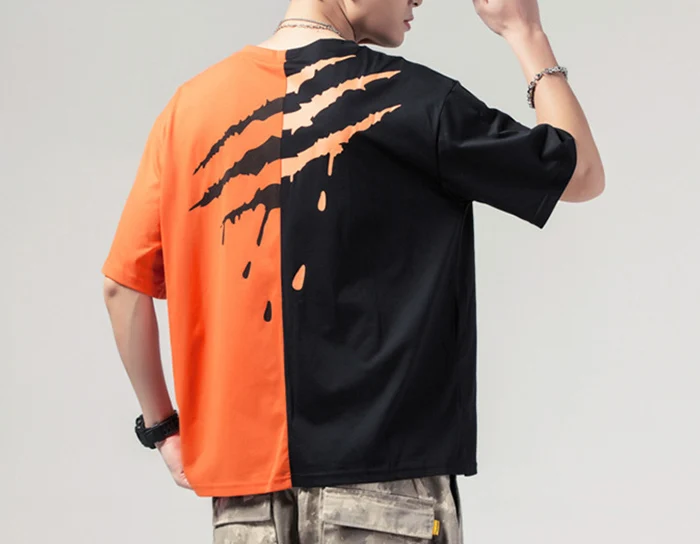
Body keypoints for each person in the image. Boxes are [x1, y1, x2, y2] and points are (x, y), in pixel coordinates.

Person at [102, 0, 605, 541]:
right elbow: (579, 173)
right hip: (387, 494)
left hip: (246, 505)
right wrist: (525, 31)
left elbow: (121, 288)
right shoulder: (414, 99)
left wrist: (163, 428)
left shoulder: (188, 111)